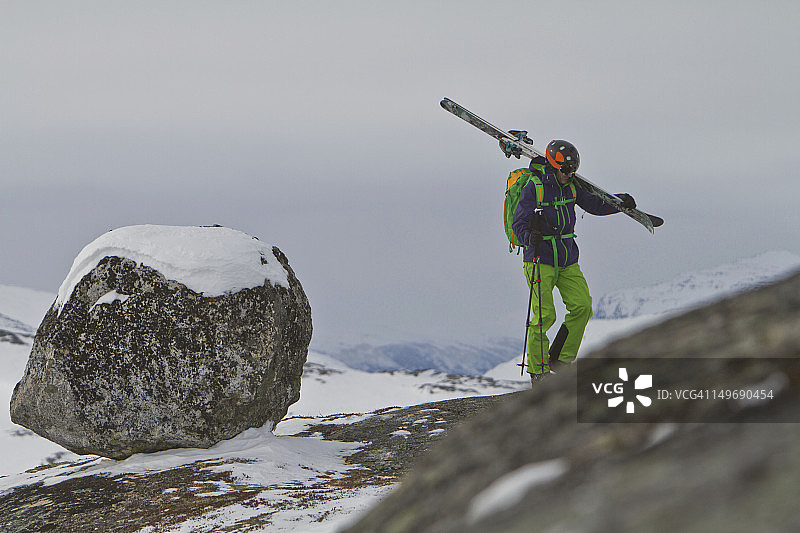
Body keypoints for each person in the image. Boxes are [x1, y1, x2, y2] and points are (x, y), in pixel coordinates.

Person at [508, 140, 635, 385]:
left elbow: (594, 205)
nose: (569, 174)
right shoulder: (535, 187)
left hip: (567, 259)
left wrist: (620, 203)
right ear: (554, 166)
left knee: (583, 306)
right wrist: (529, 238)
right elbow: (518, 224)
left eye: (573, 171)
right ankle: (538, 371)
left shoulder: (572, 186)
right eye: (565, 170)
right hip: (539, 259)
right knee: (544, 315)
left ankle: (560, 360)